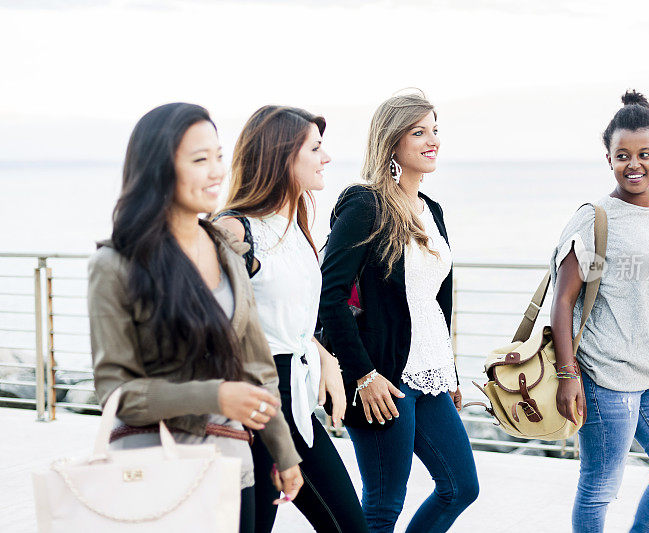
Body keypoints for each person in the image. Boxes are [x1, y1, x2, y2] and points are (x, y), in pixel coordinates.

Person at [88, 103, 303, 533]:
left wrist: (284, 451)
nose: (216, 172)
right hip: (158, 471)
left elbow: (259, 369)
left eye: (219, 156)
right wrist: (216, 396)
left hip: (232, 467)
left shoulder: (228, 253)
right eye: (199, 160)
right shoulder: (116, 265)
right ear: (158, 169)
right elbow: (116, 392)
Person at [318, 92, 479, 533]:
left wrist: (448, 374)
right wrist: (363, 375)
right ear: (392, 142)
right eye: (419, 131)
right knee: (384, 504)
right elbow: (328, 296)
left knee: (460, 486)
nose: (433, 141)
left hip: (429, 372)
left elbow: (435, 301)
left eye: (435, 130)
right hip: (381, 375)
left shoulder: (433, 211)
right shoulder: (364, 204)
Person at [215, 105, 368, 533]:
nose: (327, 158)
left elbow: (290, 318)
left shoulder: (297, 227)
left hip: (297, 400)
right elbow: (217, 327)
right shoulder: (233, 231)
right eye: (316, 148)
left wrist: (323, 355)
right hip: (257, 397)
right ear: (282, 156)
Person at [550, 90, 649, 533]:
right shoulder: (596, 219)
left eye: (644, 155)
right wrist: (567, 374)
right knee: (599, 486)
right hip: (605, 376)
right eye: (623, 155)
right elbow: (563, 300)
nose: (634, 164)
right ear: (609, 158)